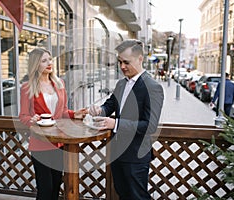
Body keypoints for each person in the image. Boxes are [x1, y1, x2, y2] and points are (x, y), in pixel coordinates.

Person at [89, 39, 164, 200]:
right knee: (122, 195)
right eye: (120, 62)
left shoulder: (152, 87)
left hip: (136, 156)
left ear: (140, 59)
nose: (122, 67)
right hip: (117, 153)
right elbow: (109, 106)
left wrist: (115, 123)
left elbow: (150, 126)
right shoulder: (121, 84)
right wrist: (99, 110)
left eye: (126, 62)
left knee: (138, 197)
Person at [19, 47, 87, 200]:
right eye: (44, 61)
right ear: (36, 64)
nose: (49, 63)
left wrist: (74, 114)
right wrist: (31, 120)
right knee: (45, 188)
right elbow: (23, 116)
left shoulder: (59, 83)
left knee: (56, 185)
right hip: (40, 143)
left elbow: (62, 111)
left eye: (50, 59)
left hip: (59, 143)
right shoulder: (27, 87)